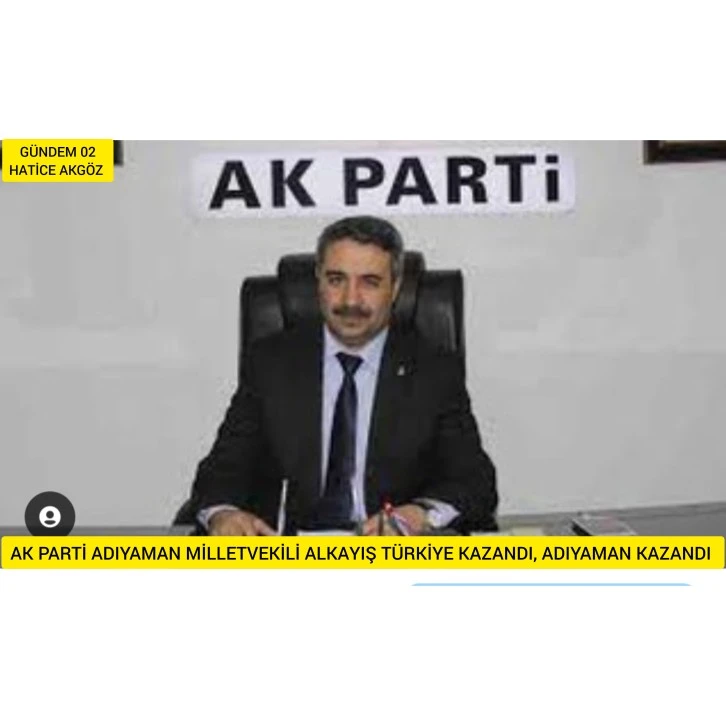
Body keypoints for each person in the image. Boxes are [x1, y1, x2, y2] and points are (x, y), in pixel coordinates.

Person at [189, 215, 497, 535]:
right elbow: (221, 471)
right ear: (318, 281)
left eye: (370, 282)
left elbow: (475, 482)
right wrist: (223, 514)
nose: (351, 300)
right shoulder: (270, 363)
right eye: (336, 280)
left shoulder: (433, 370)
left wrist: (421, 515)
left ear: (395, 288)